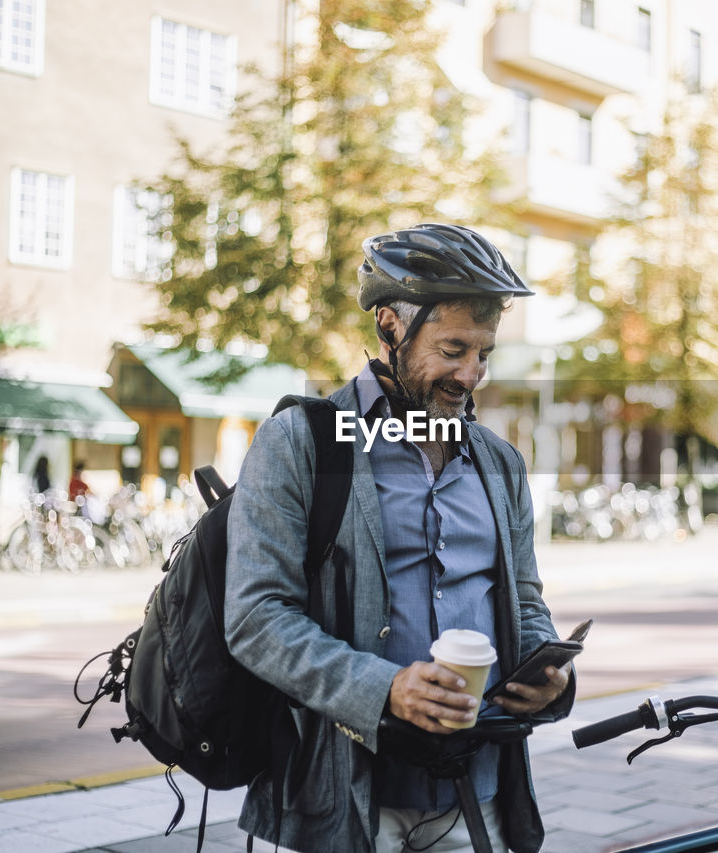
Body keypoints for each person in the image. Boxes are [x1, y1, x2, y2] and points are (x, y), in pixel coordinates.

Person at [225, 224, 573, 853]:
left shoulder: (500, 463)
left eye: (484, 353)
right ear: (390, 325)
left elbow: (522, 598)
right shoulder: (300, 443)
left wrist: (548, 670)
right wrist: (384, 688)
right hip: (346, 796)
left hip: (478, 789)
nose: (470, 375)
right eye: (452, 349)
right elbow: (256, 618)